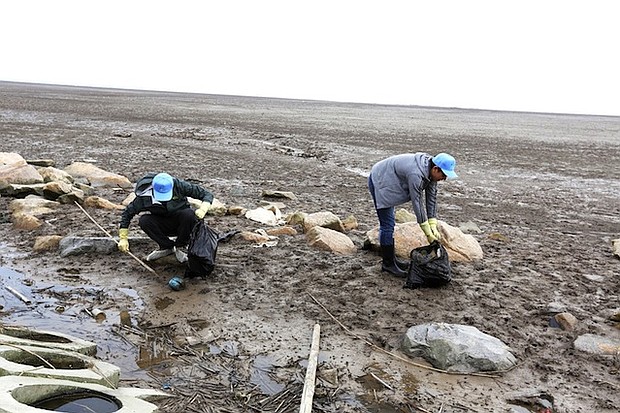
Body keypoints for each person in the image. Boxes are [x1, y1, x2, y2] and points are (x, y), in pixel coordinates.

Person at [368, 152, 458, 277]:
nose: (444, 179)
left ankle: (392, 260)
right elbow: (418, 202)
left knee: (390, 223)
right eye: (444, 175)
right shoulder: (416, 173)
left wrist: (433, 223)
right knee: (388, 225)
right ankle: (388, 264)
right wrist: (427, 232)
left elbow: (431, 198)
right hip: (380, 180)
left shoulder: (430, 171)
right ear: (436, 169)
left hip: (390, 176)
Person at [117, 172, 215, 263]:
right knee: (144, 220)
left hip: (183, 223)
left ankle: (181, 246)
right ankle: (166, 247)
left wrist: (203, 209)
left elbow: (206, 194)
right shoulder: (144, 196)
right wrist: (123, 238)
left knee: (189, 214)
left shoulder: (179, 185)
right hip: (162, 223)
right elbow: (127, 214)